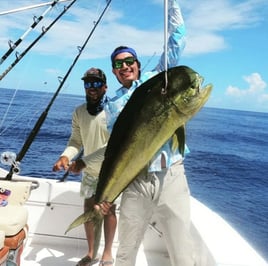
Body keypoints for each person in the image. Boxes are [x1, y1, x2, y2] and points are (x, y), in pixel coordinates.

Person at [70, 0, 195, 265]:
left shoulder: (158, 79)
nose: (124, 66)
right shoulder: (112, 103)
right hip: (136, 180)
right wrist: (104, 198)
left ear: (137, 63)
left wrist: (172, 4)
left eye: (129, 61)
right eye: (118, 64)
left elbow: (178, 40)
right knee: (126, 251)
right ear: (114, 72)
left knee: (182, 250)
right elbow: (119, 147)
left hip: (169, 174)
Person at [52, 67, 116, 266]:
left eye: (96, 83)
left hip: (110, 172)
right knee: (89, 209)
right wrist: (65, 156)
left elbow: (113, 147)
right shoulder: (79, 112)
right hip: (89, 172)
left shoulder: (113, 110)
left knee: (109, 210)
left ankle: (107, 253)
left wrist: (83, 161)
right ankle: (91, 253)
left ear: (105, 87)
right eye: (88, 83)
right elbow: (76, 141)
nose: (92, 87)